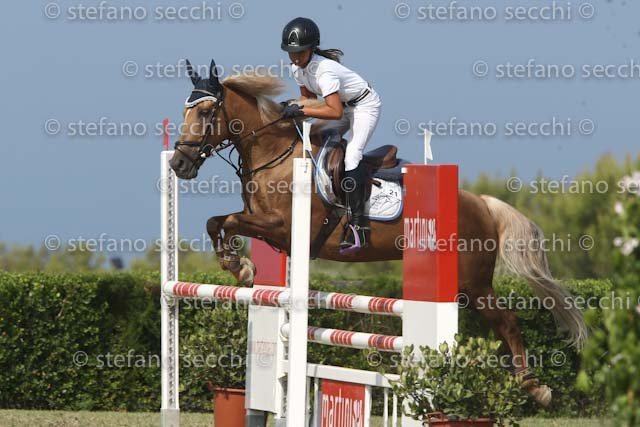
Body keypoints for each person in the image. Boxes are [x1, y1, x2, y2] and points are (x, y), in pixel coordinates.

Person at [280, 17, 382, 253]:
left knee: (353, 155)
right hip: (343, 107)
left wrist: (301, 110)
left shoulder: (324, 70)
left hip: (364, 106)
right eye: (291, 52)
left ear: (312, 48)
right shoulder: (297, 69)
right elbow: (308, 98)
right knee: (317, 140)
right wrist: (291, 105)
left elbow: (334, 112)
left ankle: (358, 226)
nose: (295, 57)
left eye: (300, 52)